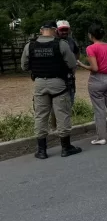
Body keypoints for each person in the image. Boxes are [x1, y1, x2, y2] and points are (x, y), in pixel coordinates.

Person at [21, 21, 81, 159]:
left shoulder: (30, 45)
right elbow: (72, 63)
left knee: (40, 116)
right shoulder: (61, 44)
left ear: (41, 30)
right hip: (58, 83)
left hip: (39, 83)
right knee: (62, 114)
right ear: (55, 30)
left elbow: (24, 66)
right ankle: (66, 147)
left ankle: (42, 150)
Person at [77, 24, 107, 145]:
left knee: (99, 110)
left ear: (90, 35)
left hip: (97, 80)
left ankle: (101, 137)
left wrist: (81, 65)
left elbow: (95, 68)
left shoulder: (91, 48)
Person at [56, 20, 80, 104]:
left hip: (69, 76)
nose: (64, 32)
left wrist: (75, 63)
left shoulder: (71, 41)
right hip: (56, 76)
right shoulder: (53, 41)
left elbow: (77, 52)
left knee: (70, 99)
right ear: (57, 30)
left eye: (66, 30)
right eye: (62, 30)